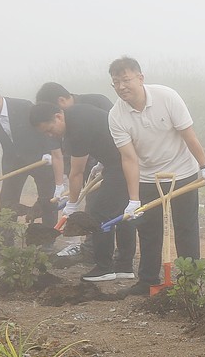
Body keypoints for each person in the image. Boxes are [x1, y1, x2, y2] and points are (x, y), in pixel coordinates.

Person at [106, 56, 205, 296]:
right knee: (148, 230)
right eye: (116, 82)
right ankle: (147, 281)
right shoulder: (116, 115)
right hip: (148, 177)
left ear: (140, 78)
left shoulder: (167, 97)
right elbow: (129, 158)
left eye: (126, 80)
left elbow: (189, 135)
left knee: (186, 228)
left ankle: (190, 283)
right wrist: (133, 199)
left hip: (183, 172)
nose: (121, 86)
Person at [30, 102, 137, 283]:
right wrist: (103, 160)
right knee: (122, 213)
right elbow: (104, 133)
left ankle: (104, 268)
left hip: (122, 164)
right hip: (121, 160)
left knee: (98, 213)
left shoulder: (76, 129)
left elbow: (76, 173)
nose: (50, 135)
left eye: (50, 129)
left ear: (58, 116)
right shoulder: (77, 112)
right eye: (45, 133)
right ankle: (124, 266)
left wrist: (72, 204)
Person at [35, 82, 119, 258]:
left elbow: (117, 131)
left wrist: (72, 204)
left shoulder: (95, 103)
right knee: (94, 207)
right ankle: (92, 250)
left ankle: (101, 254)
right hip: (91, 164)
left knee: (101, 209)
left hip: (115, 162)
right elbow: (62, 153)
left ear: (60, 103)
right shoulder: (63, 123)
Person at [0, 81, 58, 226]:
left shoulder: (24, 106)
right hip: (13, 162)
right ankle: (5, 237)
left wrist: (48, 152)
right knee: (7, 200)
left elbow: (45, 127)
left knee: (47, 198)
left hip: (40, 159)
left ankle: (48, 234)